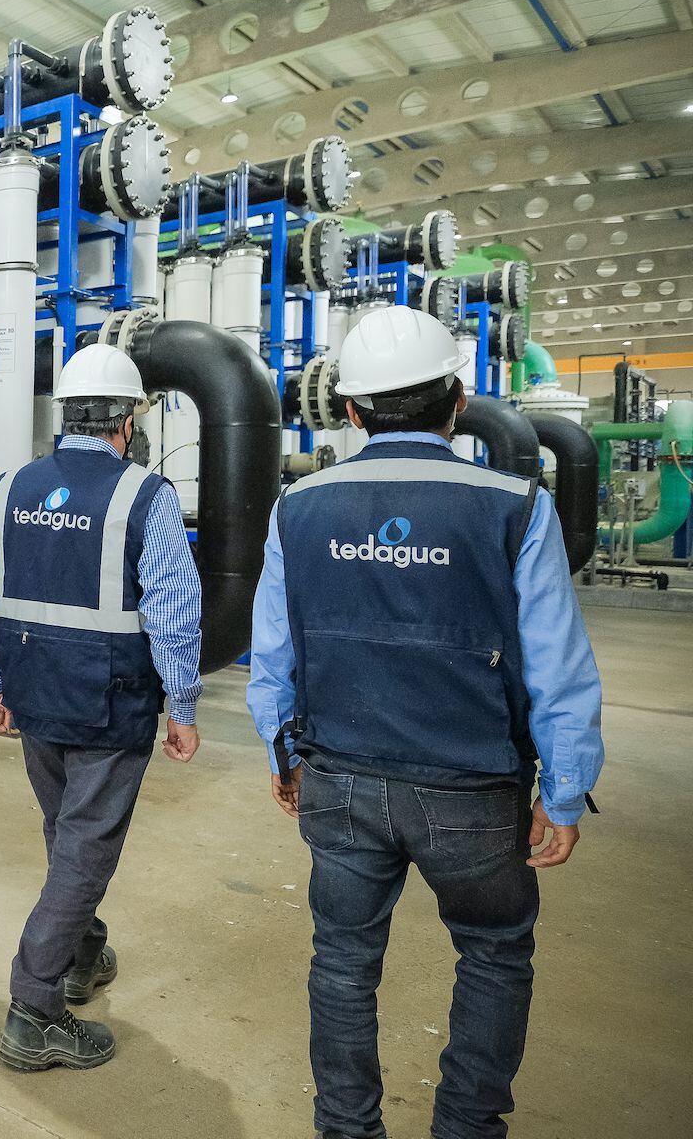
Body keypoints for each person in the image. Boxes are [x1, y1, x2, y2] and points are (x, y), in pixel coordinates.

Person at [247, 306, 604, 1139]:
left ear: (350, 411)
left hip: (336, 777)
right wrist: (565, 788)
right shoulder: (516, 506)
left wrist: (280, 749)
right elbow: (557, 663)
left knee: (341, 963)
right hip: (472, 789)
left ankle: (346, 1129)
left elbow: (274, 651)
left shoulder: (298, 507)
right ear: (457, 401)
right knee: (492, 953)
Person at [0, 341, 204, 1073]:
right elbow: (174, 607)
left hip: (35, 694)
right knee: (84, 849)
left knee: (66, 833)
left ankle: (81, 955)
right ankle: (35, 1007)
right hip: (109, 704)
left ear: (66, 414)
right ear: (127, 421)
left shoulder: (10, 488)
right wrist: (184, 703)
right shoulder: (146, 495)